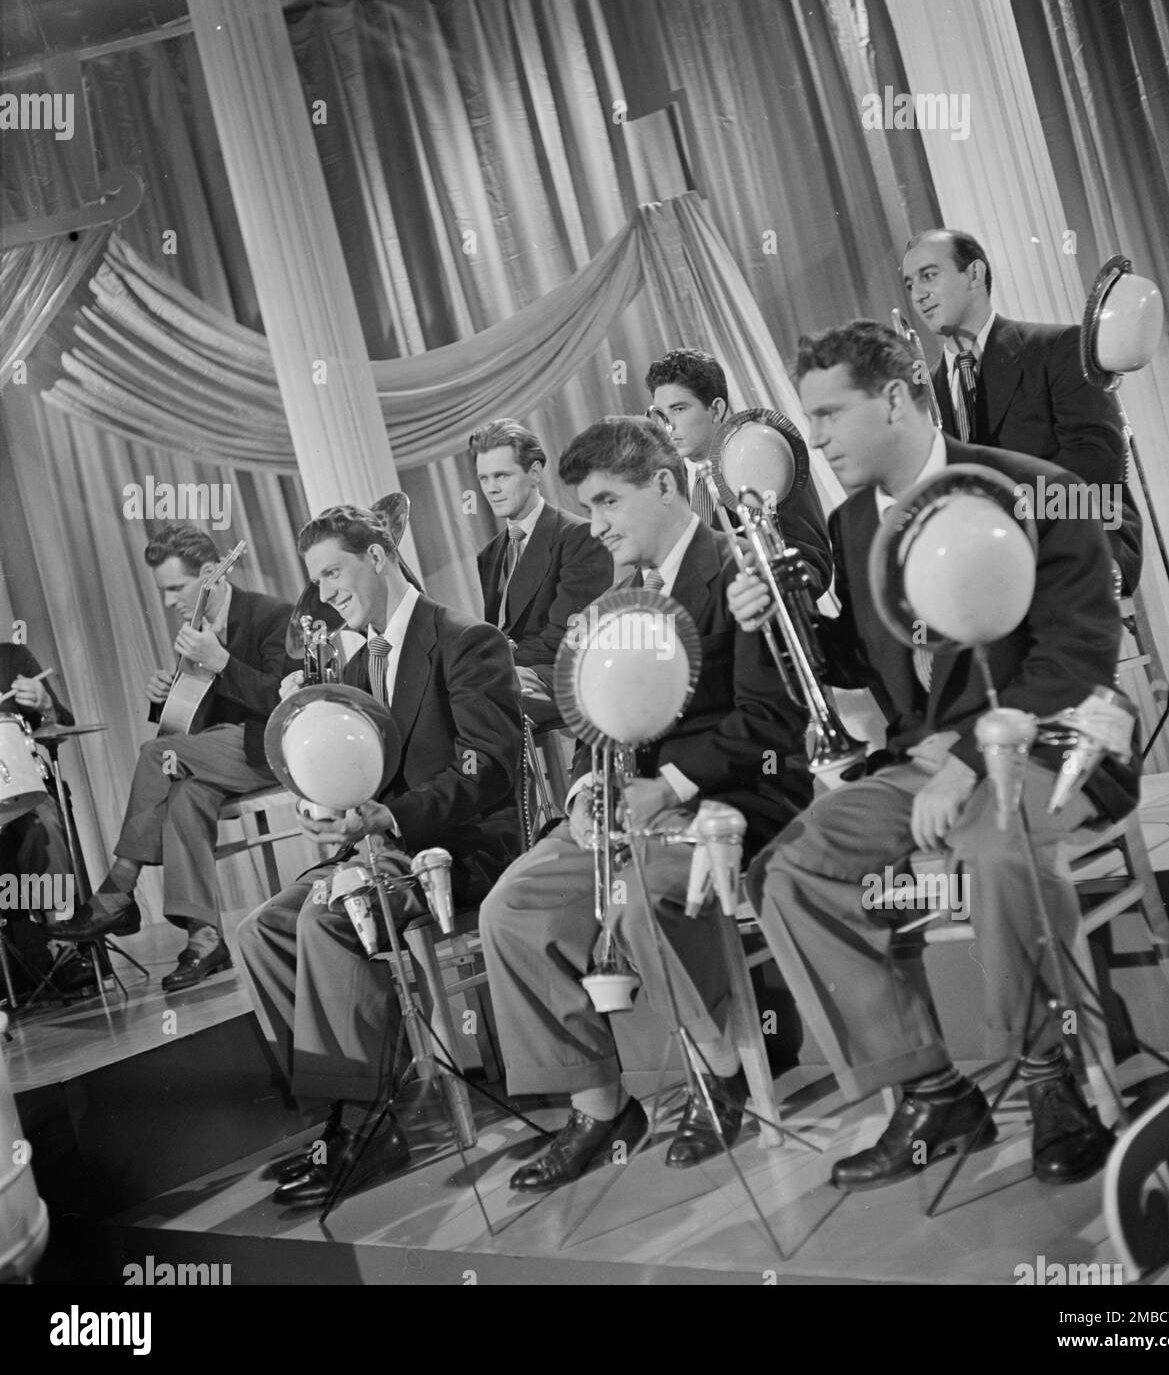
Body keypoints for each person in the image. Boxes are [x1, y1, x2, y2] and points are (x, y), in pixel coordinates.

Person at [731, 320, 1139, 1192]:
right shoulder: (849, 523)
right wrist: (786, 618)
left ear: (895, 397)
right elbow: (863, 672)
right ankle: (930, 1089)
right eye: (811, 419)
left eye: (831, 413)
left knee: (996, 847)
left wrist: (963, 759)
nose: (818, 438)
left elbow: (1078, 656)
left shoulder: (1043, 489)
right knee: (788, 870)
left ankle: (1051, 1075)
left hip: (1053, 736)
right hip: (924, 760)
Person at [479, 415, 811, 1194]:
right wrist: (591, 787)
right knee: (512, 907)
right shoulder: (624, 596)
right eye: (586, 509)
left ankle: (718, 1071)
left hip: (736, 797)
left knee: (636, 903)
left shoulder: (738, 568)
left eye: (606, 503)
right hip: (638, 803)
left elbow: (771, 721)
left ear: (664, 485)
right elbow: (604, 723)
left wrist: (672, 786)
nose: (593, 528)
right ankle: (599, 1108)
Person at [236, 504, 523, 1208]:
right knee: (260, 930)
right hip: (382, 851)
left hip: (458, 851)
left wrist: (392, 814)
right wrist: (322, 804)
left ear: (379, 555)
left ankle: (362, 1124)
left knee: (328, 917)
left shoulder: (464, 639)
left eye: (334, 571)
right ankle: (347, 1110)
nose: (326, 592)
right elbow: (354, 772)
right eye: (317, 578)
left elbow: (489, 769)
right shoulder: (357, 663)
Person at [46, 526, 292, 993]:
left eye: (176, 588)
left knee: (155, 754)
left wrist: (220, 662)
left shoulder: (271, 614)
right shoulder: (197, 631)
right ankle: (204, 940)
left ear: (209, 574)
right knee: (184, 795)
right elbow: (193, 719)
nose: (168, 602)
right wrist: (166, 697)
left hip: (269, 746)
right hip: (223, 752)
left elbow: (285, 698)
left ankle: (117, 890)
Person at [901, 227, 1142, 593]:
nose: (918, 294)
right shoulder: (925, 397)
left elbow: (1096, 462)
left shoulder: (1058, 347)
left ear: (975, 274)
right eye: (909, 285)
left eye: (928, 275)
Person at [645, 347, 834, 593]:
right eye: (661, 414)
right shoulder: (665, 482)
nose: (667, 426)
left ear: (716, 409)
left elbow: (813, 566)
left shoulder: (764, 454)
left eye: (679, 409)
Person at [471, 418, 613, 702]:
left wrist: (493, 664)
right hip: (515, 676)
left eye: (502, 476)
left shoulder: (580, 536)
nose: (491, 489)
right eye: (484, 479)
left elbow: (566, 638)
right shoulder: (489, 554)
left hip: (568, 678)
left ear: (534, 473)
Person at [0, 642, 95, 996]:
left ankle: (62, 944)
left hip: (19, 790)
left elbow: (61, 729)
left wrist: (46, 705)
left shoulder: (12, 659)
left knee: (45, 823)